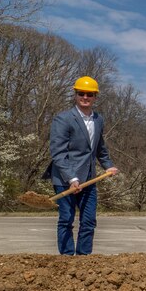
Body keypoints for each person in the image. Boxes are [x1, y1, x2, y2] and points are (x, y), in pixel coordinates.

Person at [42, 76, 119, 255]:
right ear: (75, 94)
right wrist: (72, 178)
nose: (85, 97)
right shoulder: (63, 119)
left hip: (89, 179)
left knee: (89, 221)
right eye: (81, 93)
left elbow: (100, 147)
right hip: (64, 179)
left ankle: (84, 259)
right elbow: (59, 153)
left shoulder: (98, 120)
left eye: (89, 94)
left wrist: (108, 165)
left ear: (95, 97)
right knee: (66, 219)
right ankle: (67, 258)